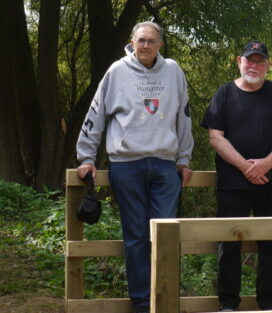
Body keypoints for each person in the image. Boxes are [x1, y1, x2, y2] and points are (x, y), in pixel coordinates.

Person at [75, 21, 193, 313]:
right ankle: (142, 302)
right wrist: (87, 157)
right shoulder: (117, 71)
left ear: (160, 45)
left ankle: (165, 299)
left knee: (166, 234)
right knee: (136, 237)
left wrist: (184, 159)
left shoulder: (173, 71)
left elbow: (184, 118)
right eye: (141, 40)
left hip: (165, 166)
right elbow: (96, 114)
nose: (145, 46)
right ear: (132, 41)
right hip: (126, 165)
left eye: (151, 41)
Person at [201, 41, 272, 311]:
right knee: (229, 245)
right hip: (232, 183)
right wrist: (246, 167)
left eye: (259, 61)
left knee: (270, 246)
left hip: (271, 181)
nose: (253, 65)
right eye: (249, 60)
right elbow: (215, 137)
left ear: (267, 65)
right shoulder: (224, 93)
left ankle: (268, 304)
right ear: (238, 61)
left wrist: (265, 164)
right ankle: (228, 304)